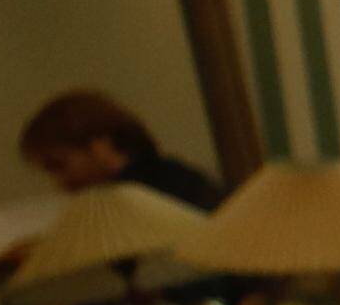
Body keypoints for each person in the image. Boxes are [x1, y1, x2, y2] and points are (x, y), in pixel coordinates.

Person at [17, 87, 221, 214]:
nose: (60, 183)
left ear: (99, 147)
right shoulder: (176, 177)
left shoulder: (158, 194)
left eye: (58, 165)